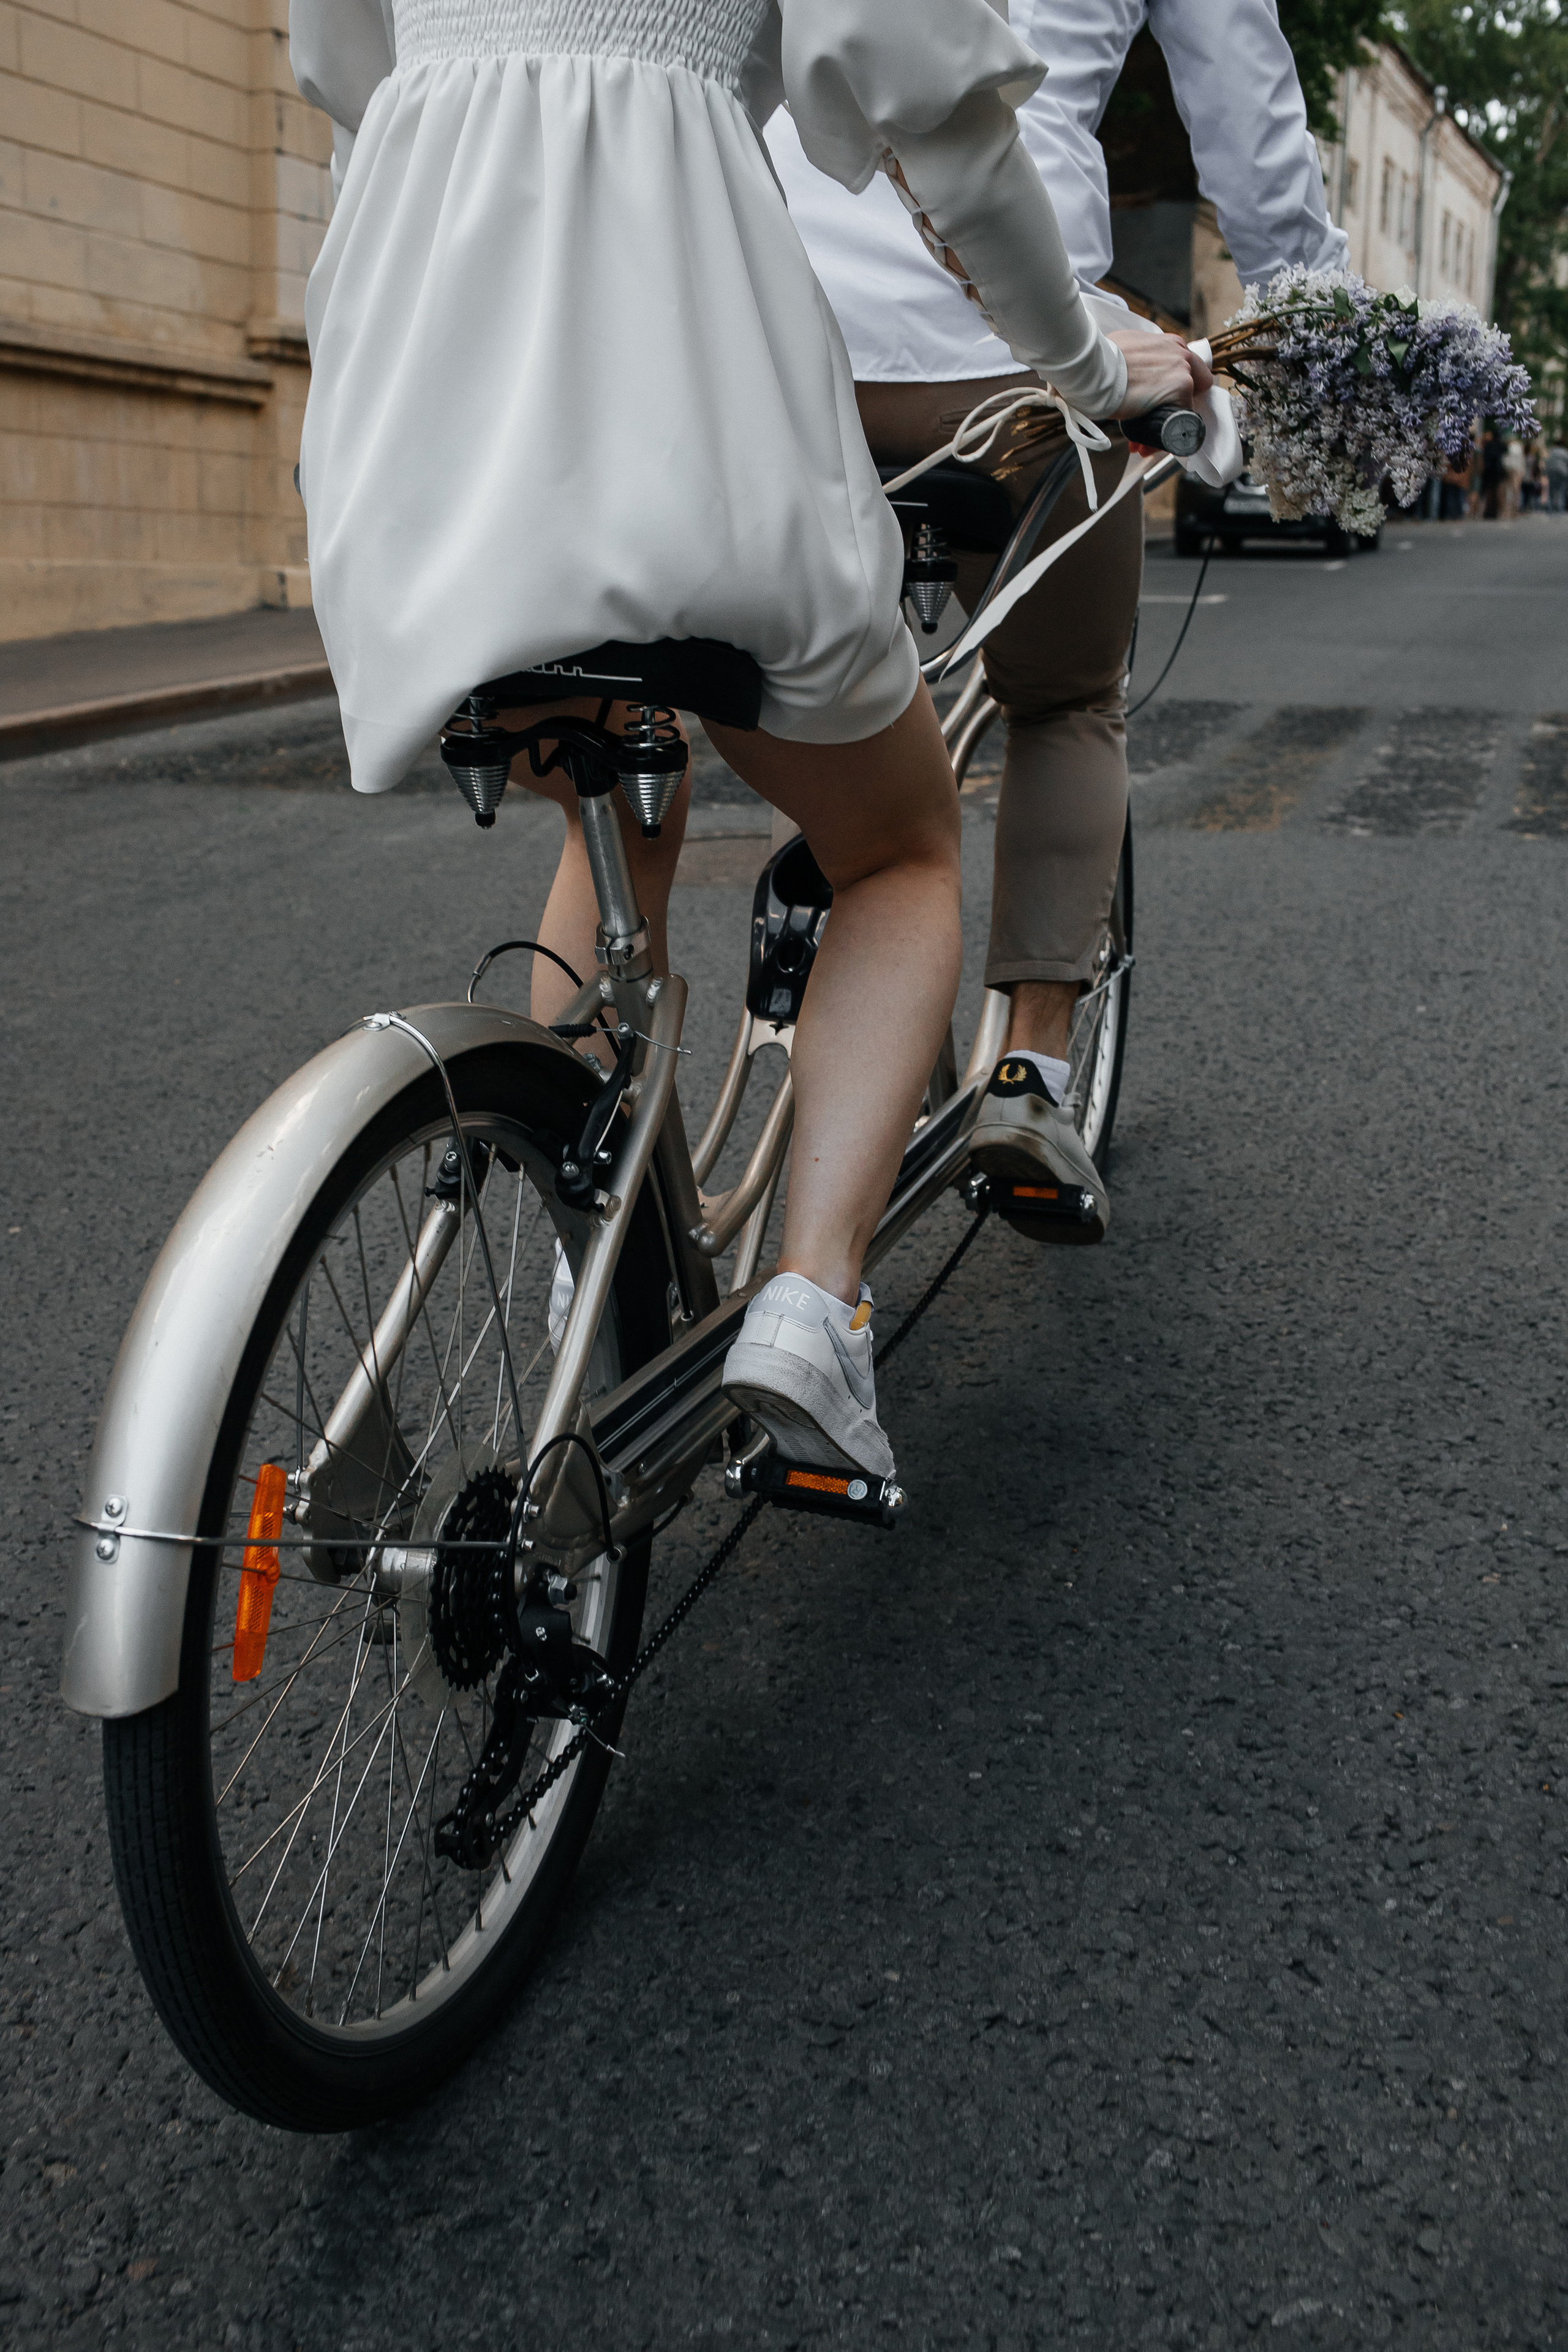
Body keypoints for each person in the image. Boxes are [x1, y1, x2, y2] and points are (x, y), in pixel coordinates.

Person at [288, 0, 1205, 1483]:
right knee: (897, 848)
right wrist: (1090, 371)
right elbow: (949, 132)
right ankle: (806, 1306)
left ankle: (568, 1226)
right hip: (683, 401)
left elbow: (346, 72)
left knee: (605, 773)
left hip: (418, 421)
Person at [767, 0, 1346, 1242]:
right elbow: (1248, 129)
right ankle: (1031, 1069)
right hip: (1011, 341)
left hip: (775, 342)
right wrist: (1318, 347)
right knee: (1068, 695)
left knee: (770, 686)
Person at [1547, 440, 1568, 516]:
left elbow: (1548, 462)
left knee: (1551, 491)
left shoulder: (1552, 452)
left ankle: (1551, 508)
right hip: (1562, 473)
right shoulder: (1565, 452)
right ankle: (1560, 509)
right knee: (1562, 491)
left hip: (1552, 472)